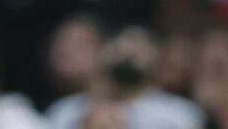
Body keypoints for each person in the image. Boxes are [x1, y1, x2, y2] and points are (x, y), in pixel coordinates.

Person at [47, 27, 204, 129]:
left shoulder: (179, 114)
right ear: (103, 51)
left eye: (138, 46)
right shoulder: (66, 110)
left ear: (157, 58)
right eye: (120, 44)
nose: (127, 52)